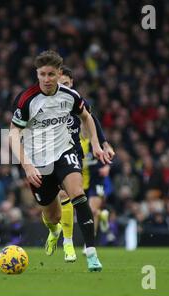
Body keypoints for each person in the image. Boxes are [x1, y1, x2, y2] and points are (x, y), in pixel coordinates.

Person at [9, 50, 112, 272]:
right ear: (37, 74)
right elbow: (13, 134)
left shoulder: (70, 96)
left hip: (65, 152)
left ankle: (92, 253)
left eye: (51, 74)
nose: (47, 79)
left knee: (78, 194)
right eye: (42, 74)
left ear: (59, 74)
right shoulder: (27, 99)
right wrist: (27, 165)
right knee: (52, 215)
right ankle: (54, 231)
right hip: (38, 162)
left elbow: (87, 117)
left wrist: (95, 143)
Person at [58, 66, 115, 261]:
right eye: (59, 85)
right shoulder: (49, 102)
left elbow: (92, 121)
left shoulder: (77, 103)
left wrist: (104, 145)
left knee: (91, 208)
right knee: (63, 200)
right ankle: (68, 240)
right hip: (68, 164)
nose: (62, 88)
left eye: (65, 84)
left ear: (72, 82)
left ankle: (86, 245)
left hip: (94, 176)